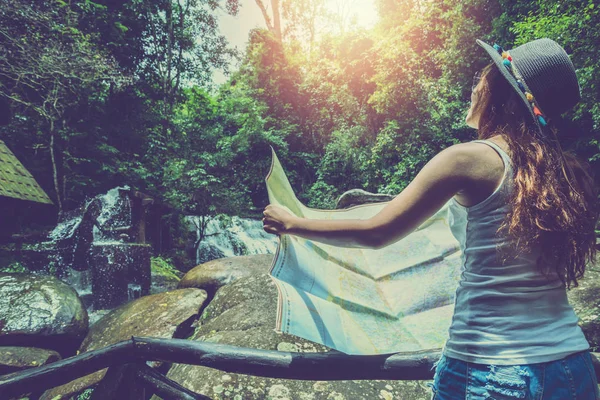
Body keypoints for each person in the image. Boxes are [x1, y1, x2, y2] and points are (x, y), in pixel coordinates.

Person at [262, 38, 599, 399]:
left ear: (498, 92)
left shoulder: (469, 159)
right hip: (571, 368)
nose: (474, 87)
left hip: (489, 368)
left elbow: (377, 231)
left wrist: (292, 222)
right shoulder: (567, 172)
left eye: (481, 78)